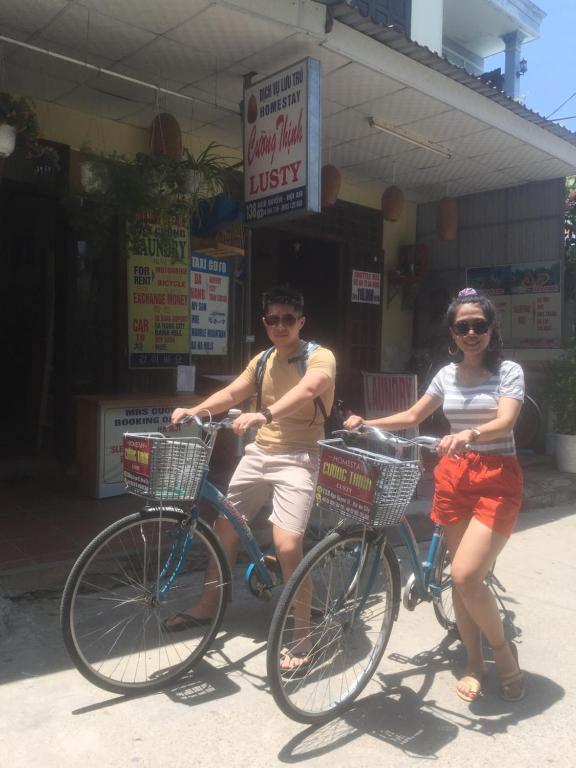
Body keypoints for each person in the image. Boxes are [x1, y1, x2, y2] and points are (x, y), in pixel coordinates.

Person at [344, 288, 525, 703]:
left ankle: (503, 653)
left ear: (492, 329)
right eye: (463, 327)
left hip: (497, 478)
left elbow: (506, 421)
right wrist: (366, 422)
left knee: (465, 575)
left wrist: (469, 433)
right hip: (455, 475)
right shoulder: (446, 374)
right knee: (461, 580)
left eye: (479, 325)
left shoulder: (509, 371)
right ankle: (474, 663)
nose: (471, 333)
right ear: (453, 333)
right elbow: (413, 415)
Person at [168, 285, 336, 672]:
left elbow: (311, 388)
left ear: (301, 322)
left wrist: (265, 414)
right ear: (265, 322)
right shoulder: (262, 360)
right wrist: (195, 410)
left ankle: (303, 633)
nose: (280, 325)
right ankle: (209, 604)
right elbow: (233, 392)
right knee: (224, 528)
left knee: (288, 545)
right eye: (273, 319)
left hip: (300, 457)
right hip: (259, 453)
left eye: (288, 319)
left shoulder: (319, 356)